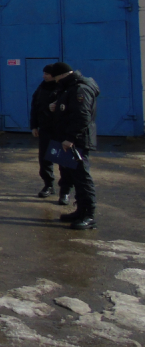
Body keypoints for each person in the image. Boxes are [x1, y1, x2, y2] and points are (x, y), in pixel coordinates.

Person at [49, 62, 99, 230]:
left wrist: (70, 138)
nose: (55, 81)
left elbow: (82, 116)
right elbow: (68, 109)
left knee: (83, 178)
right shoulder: (70, 87)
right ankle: (80, 210)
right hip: (68, 140)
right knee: (75, 177)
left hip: (76, 142)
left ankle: (88, 215)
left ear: (61, 75)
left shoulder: (80, 89)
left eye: (56, 78)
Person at [31, 65, 73, 204]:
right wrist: (34, 125)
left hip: (60, 131)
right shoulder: (41, 88)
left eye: (47, 74)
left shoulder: (63, 89)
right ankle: (48, 185)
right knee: (44, 160)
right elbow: (35, 107)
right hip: (45, 130)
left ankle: (65, 191)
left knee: (64, 161)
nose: (44, 76)